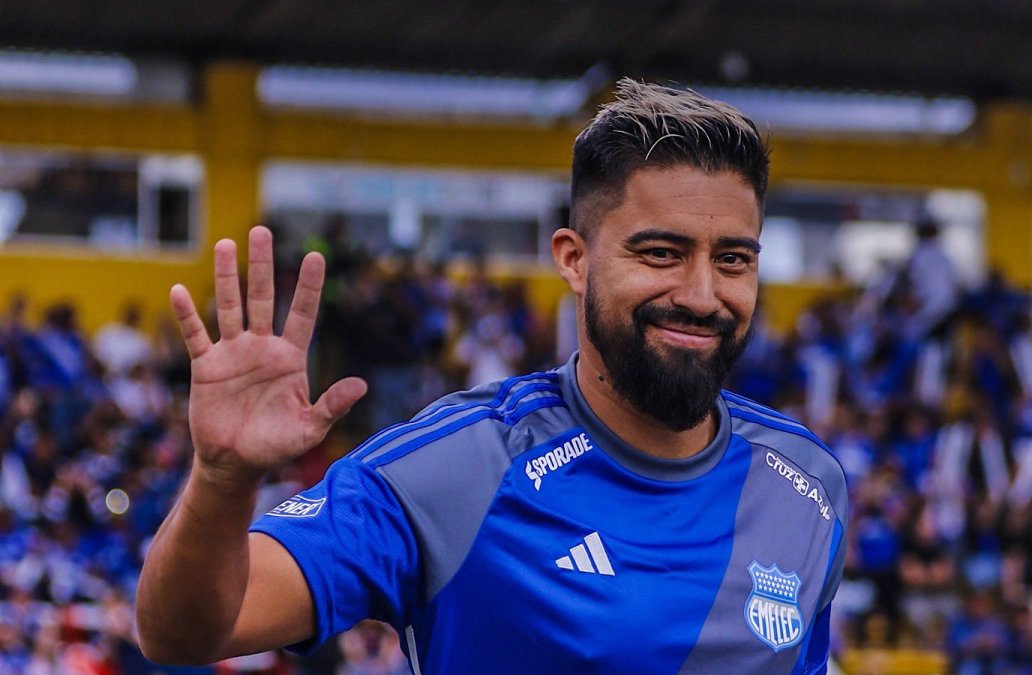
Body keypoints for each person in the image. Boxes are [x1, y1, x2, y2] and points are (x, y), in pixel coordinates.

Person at [136, 79, 848, 673]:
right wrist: (223, 477)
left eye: (734, 259)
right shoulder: (457, 468)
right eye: (661, 252)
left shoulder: (809, 486)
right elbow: (186, 633)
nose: (701, 293)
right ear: (573, 258)